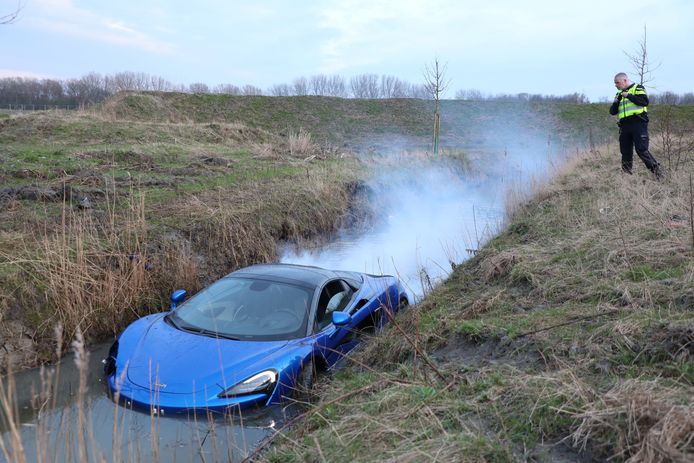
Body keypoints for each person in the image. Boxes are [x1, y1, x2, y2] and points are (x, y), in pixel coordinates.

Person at [609, 72, 662, 179]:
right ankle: (627, 177)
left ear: (625, 80)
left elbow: (644, 101)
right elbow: (612, 112)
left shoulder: (638, 88)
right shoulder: (618, 94)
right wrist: (616, 102)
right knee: (625, 152)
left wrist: (628, 95)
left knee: (641, 150)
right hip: (624, 126)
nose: (616, 85)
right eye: (615, 83)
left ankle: (658, 173)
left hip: (638, 123)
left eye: (617, 82)